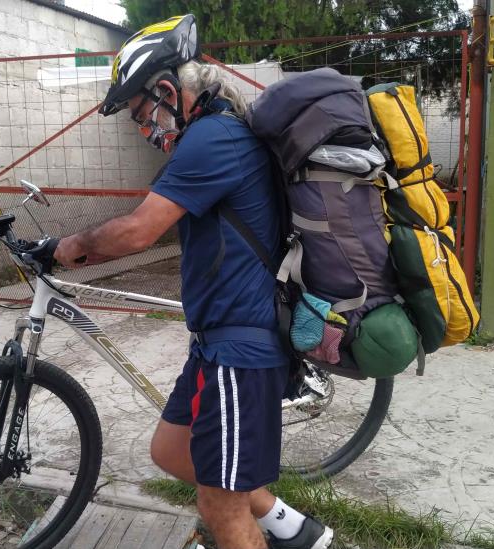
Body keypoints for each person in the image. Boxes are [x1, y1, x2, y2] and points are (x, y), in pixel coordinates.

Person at [53, 14, 334, 549]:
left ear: (166, 90)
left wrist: (73, 244)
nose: (144, 130)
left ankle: (260, 533)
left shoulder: (213, 139)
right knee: (170, 452)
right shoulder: (216, 135)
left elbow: (139, 231)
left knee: (219, 507)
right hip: (214, 344)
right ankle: (294, 532)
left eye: (141, 116)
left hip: (239, 350)